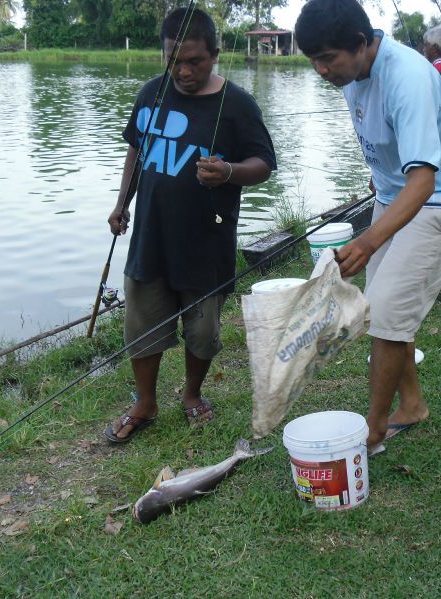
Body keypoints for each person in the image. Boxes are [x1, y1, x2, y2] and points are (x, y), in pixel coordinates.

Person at [295, 0, 441, 451]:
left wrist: (370, 239)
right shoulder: (351, 73)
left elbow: (423, 179)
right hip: (394, 196)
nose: (321, 70)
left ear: (361, 43)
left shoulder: (408, 78)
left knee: (385, 318)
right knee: (386, 312)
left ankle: (373, 429)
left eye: (328, 59)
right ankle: (412, 404)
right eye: (313, 60)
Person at [104, 7, 276, 443]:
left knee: (202, 330)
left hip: (206, 243)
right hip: (151, 237)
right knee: (142, 322)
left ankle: (192, 393)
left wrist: (230, 172)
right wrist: (122, 203)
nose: (183, 70)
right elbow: (136, 151)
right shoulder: (150, 94)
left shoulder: (236, 103)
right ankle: (145, 402)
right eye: (173, 59)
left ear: (215, 54)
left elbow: (265, 163)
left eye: (195, 61)